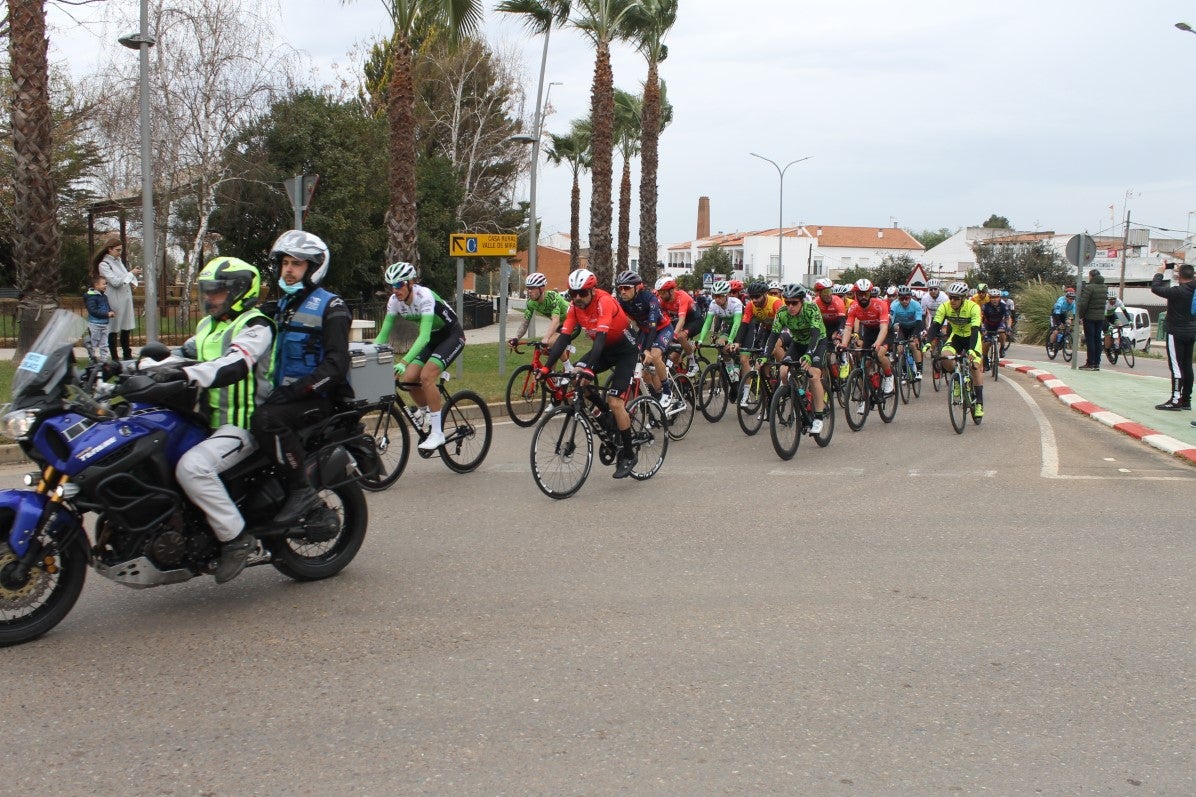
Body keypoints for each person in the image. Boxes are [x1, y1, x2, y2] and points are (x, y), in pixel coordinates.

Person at [171, 257, 275, 583]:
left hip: (242, 425)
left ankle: (236, 537)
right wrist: (123, 370)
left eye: (216, 292)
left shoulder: (256, 326)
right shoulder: (208, 326)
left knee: (192, 467)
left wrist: (184, 374)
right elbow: (177, 355)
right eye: (206, 291)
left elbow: (233, 365)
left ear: (240, 291)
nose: (209, 298)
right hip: (208, 424)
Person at [253, 230, 353, 525]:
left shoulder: (331, 306)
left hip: (316, 398)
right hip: (285, 395)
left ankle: (301, 490)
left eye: (296, 263)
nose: (288, 269)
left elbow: (336, 364)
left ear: (312, 268)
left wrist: (297, 390)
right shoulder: (285, 305)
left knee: (265, 420)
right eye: (285, 262)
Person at [538, 268, 641, 479]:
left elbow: (601, 339)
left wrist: (588, 369)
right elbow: (563, 338)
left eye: (583, 293)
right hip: (603, 350)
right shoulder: (574, 308)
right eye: (573, 293)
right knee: (577, 379)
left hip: (624, 351)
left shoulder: (605, 302)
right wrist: (547, 368)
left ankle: (629, 454)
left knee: (615, 401)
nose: (577, 298)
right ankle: (607, 419)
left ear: (593, 290)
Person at [374, 260, 466, 450]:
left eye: (399, 284)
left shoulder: (424, 297)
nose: (395, 290)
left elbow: (423, 336)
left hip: (451, 336)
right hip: (433, 338)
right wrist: (368, 355)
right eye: (392, 285)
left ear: (410, 283)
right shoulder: (394, 302)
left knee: (426, 376)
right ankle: (425, 412)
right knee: (408, 379)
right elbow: (383, 334)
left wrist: (404, 361)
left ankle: (438, 433)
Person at [767, 284, 828, 434]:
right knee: (783, 371)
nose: (790, 306)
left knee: (813, 374)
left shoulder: (811, 309)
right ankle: (799, 394)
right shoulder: (782, 312)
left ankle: (819, 417)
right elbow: (773, 336)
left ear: (802, 301)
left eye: (794, 303)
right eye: (787, 302)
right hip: (798, 343)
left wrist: (809, 354)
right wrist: (764, 356)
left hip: (817, 342)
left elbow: (814, 334)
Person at [615, 270, 674, 410]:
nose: (623, 291)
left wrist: (647, 349)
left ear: (637, 288)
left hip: (662, 328)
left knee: (653, 355)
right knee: (641, 365)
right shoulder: (622, 303)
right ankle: (653, 396)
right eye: (620, 288)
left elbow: (653, 325)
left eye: (626, 288)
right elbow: (621, 325)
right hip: (645, 330)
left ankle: (667, 390)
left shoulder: (649, 298)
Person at [934, 281, 985, 417]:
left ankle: (979, 403)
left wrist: (973, 350)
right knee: (945, 356)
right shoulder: (945, 307)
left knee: (974, 365)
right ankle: (956, 380)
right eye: (950, 297)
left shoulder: (973, 307)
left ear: (963, 298)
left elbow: (975, 330)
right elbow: (935, 325)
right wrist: (928, 342)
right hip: (956, 337)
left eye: (956, 298)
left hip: (972, 338)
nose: (952, 301)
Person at [1150, 262, 1196, 411]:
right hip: (1191, 332)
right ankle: (1186, 400)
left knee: (1176, 366)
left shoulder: (1177, 291)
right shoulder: (1194, 289)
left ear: (1179, 276)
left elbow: (1155, 288)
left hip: (1176, 333)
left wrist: (1160, 271)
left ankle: (1175, 399)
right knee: (1187, 365)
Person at [90, 233, 142, 361]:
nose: (120, 253)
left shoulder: (118, 262)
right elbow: (115, 282)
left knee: (126, 328)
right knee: (113, 329)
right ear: (109, 249)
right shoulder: (104, 265)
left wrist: (132, 278)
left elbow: (123, 278)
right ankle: (114, 357)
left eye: (121, 250)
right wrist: (131, 273)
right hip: (115, 300)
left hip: (125, 300)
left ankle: (127, 355)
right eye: (117, 250)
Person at [508, 272, 572, 370]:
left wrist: (546, 338)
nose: (529, 291)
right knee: (549, 354)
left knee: (551, 342)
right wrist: (516, 338)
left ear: (541, 289)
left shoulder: (552, 297)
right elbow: (525, 323)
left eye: (532, 288)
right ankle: (553, 380)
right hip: (560, 324)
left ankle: (569, 368)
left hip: (572, 321)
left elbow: (555, 320)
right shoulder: (531, 303)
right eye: (528, 288)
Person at [845, 278, 893, 393]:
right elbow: (848, 328)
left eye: (866, 294)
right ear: (856, 294)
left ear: (870, 293)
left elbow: (883, 328)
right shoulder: (854, 307)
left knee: (879, 353)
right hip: (869, 331)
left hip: (884, 332)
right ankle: (865, 397)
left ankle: (889, 376)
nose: (863, 297)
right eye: (860, 294)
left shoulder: (880, 304)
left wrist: (877, 343)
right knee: (865, 364)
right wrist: (843, 344)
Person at [889, 285, 924, 378]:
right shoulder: (894, 306)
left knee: (913, 345)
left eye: (907, 298)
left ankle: (919, 370)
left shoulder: (916, 305)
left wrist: (916, 336)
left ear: (910, 297)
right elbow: (890, 323)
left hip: (914, 327)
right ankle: (904, 371)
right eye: (902, 298)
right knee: (900, 349)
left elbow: (919, 321)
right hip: (903, 328)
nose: (904, 301)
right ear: (898, 298)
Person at [1076, 268, 1106, 371]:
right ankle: (1097, 363)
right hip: (1100, 317)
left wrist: (1081, 315)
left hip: (1090, 317)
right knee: (1098, 339)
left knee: (1090, 340)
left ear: (1091, 276)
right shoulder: (1104, 287)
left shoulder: (1090, 288)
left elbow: (1084, 304)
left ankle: (1090, 363)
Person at [83, 273, 114, 364]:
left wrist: (110, 312)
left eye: (106, 284)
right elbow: (93, 311)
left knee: (104, 344)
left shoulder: (104, 296)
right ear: (96, 285)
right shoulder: (91, 297)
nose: (106, 286)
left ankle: (103, 360)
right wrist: (106, 314)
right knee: (94, 343)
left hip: (105, 323)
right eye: (104, 284)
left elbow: (107, 307)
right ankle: (92, 359)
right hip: (95, 324)